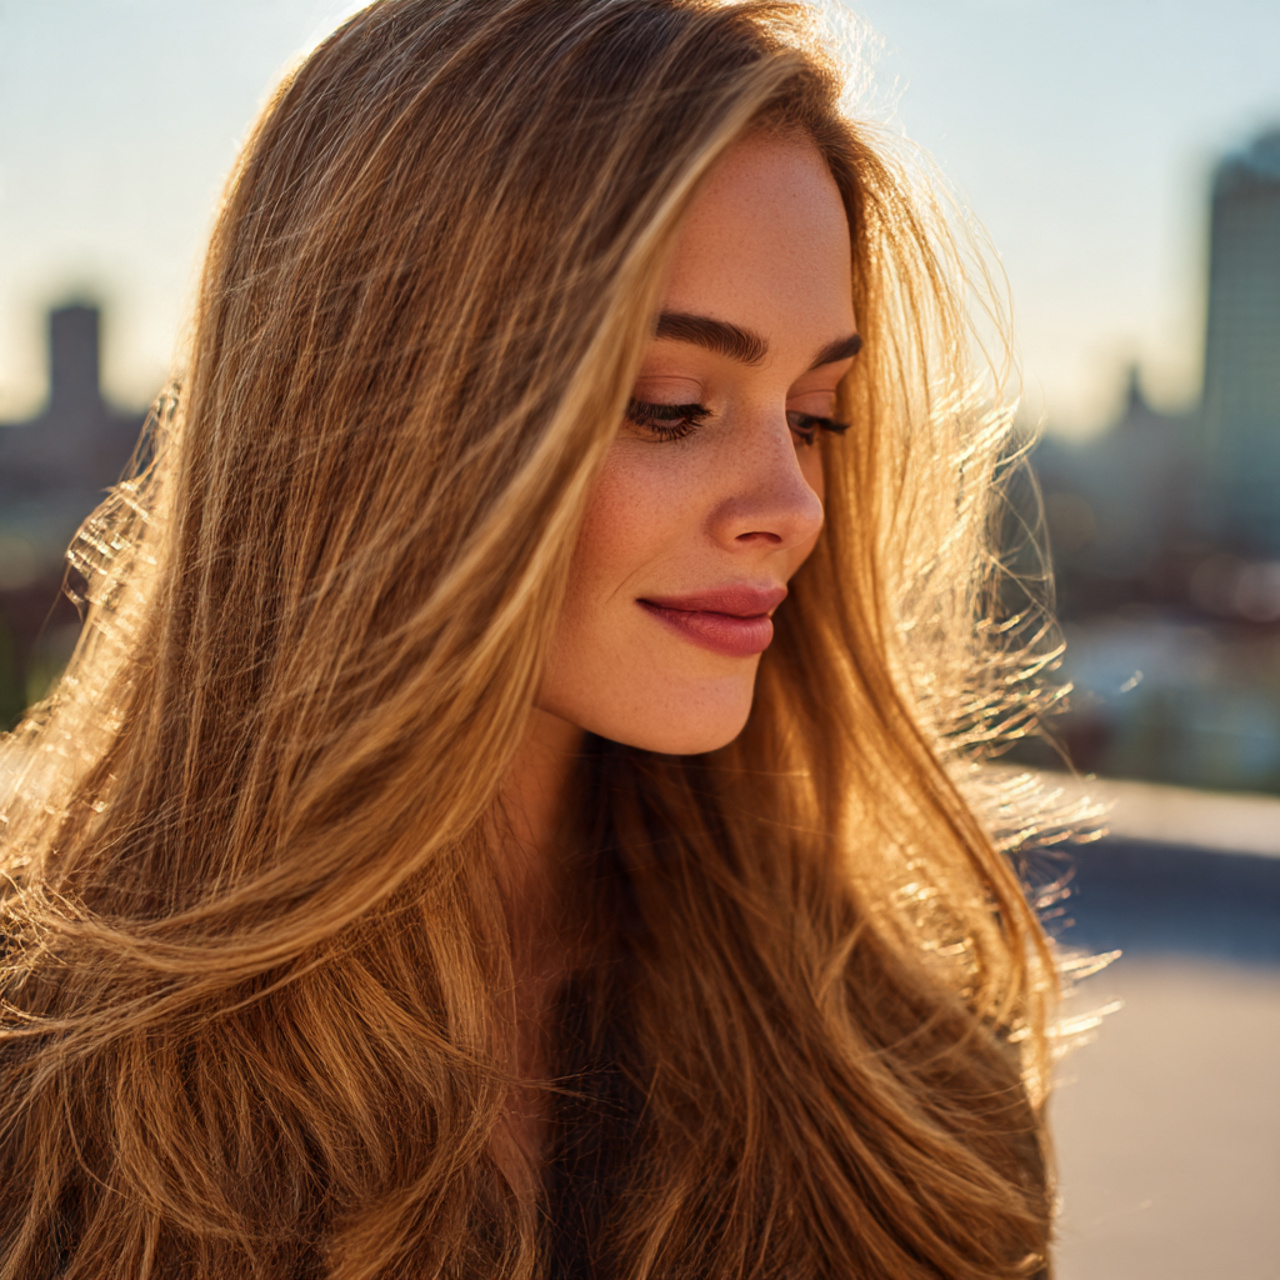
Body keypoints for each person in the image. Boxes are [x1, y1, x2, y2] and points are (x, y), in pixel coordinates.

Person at [0, 1, 1061, 1276]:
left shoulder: (896, 1074)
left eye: (813, 414)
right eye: (669, 405)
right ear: (376, 418)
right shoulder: (40, 1063)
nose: (791, 506)